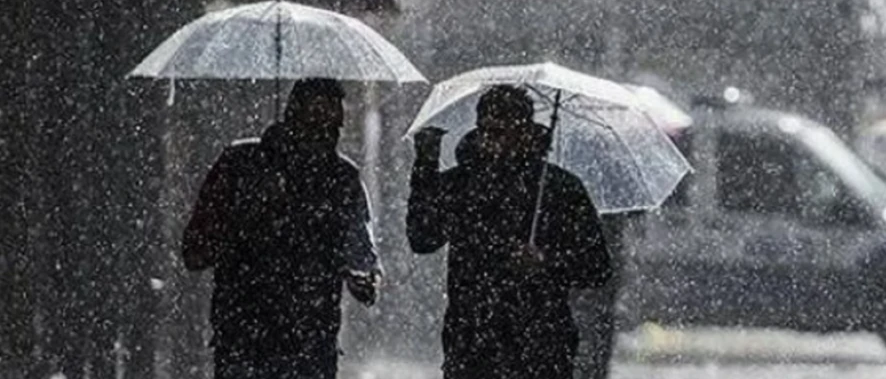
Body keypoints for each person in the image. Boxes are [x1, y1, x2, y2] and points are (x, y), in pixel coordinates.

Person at [407, 85, 613, 379]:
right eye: (485, 131)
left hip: (542, 346)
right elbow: (422, 238)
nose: (489, 141)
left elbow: (597, 267)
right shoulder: (462, 185)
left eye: (499, 132)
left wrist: (545, 262)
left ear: (525, 133)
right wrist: (424, 167)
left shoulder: (558, 188)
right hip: (472, 345)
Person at [182, 78, 381, 379]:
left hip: (311, 347)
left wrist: (362, 280)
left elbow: (362, 258)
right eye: (315, 120)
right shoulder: (240, 165)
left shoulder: (343, 179)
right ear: (292, 115)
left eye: (333, 125)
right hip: (244, 341)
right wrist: (253, 210)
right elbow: (195, 252)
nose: (325, 133)